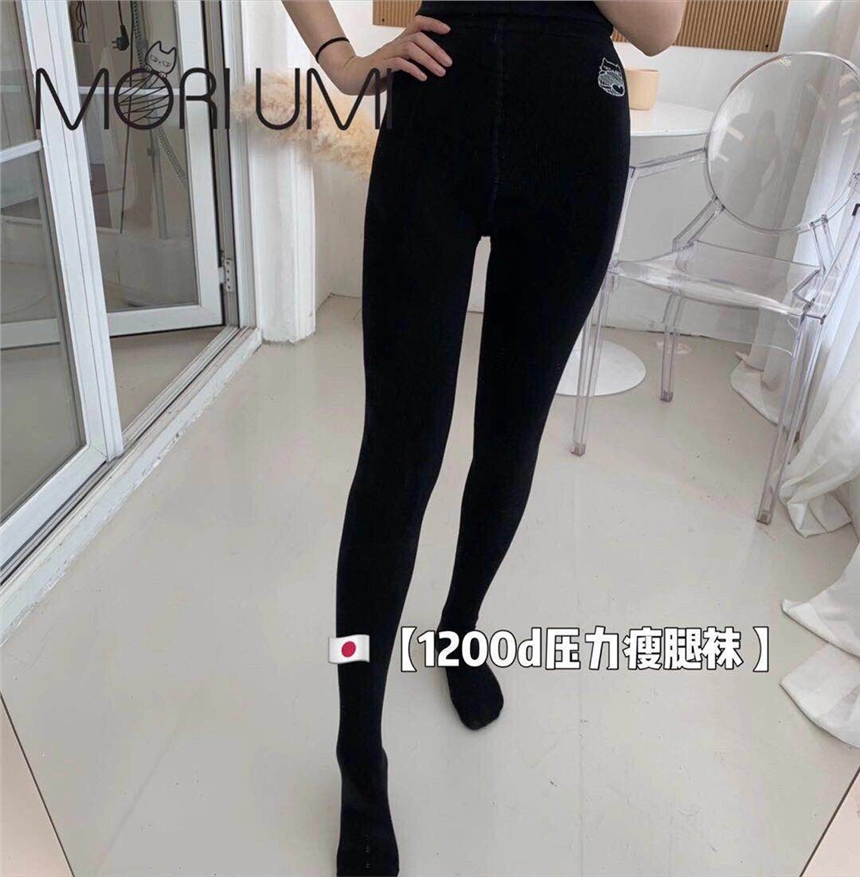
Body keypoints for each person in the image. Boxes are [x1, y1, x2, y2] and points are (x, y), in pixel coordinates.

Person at [281, 2, 686, 874]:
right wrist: (340, 59)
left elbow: (659, 27)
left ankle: (459, 628)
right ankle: (359, 749)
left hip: (576, 126)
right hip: (439, 109)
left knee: (511, 433)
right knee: (397, 458)